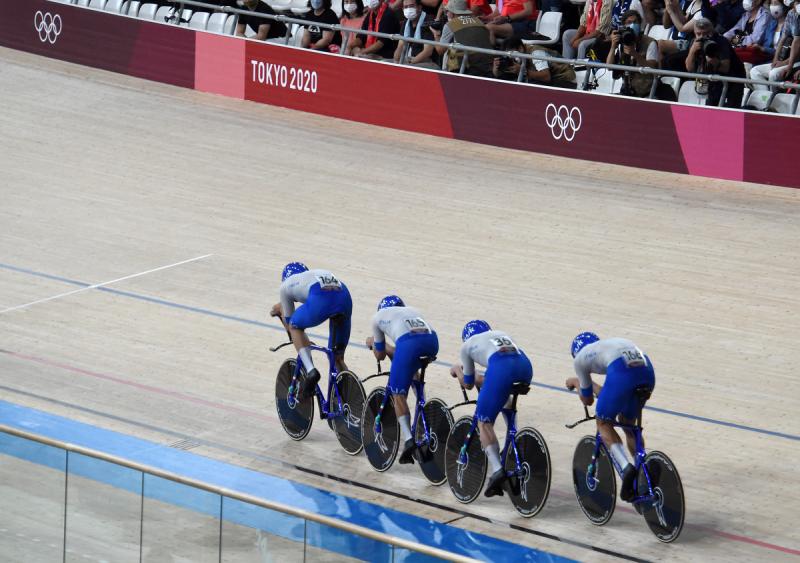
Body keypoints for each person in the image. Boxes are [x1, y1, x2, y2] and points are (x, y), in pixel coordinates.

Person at [565, 332, 655, 502]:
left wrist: (577, 382)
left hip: (621, 374)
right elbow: (609, 393)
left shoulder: (580, 360)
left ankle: (626, 468)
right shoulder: (607, 346)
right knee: (628, 425)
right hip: (647, 371)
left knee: (603, 423)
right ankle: (642, 472)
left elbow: (588, 400)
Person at [450, 320, 533, 497]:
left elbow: (469, 384)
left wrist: (458, 370)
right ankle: (513, 436)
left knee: (484, 422)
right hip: (525, 367)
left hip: (501, 369)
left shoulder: (467, 346)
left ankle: (497, 470)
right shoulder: (499, 334)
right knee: (504, 396)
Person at [365, 296, 439, 463]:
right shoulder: (412, 311)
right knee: (410, 363)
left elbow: (380, 355)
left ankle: (408, 440)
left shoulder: (378, 318)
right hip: (432, 342)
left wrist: (372, 343)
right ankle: (422, 401)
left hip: (408, 345)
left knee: (398, 394)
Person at [269, 263, 353, 398]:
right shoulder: (314, 274)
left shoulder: (285, 286)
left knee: (294, 326)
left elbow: (291, 324)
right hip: (345, 297)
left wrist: (280, 310)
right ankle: (349, 398)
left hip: (321, 299)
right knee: (336, 357)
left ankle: (311, 371)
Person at [686, 17, 747, 106]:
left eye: (706, 33)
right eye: (698, 34)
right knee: (711, 107)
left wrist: (714, 61)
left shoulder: (721, 42)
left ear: (712, 32)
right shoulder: (695, 43)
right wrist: (692, 52)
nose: (702, 37)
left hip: (734, 78)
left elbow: (725, 68)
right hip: (714, 79)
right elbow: (689, 68)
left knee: (731, 110)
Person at [606, 10, 660, 96]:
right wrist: (613, 46)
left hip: (646, 92)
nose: (633, 25)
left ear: (640, 24)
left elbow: (653, 67)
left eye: (635, 22)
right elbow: (608, 67)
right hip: (627, 90)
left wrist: (634, 54)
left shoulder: (650, 42)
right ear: (624, 26)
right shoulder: (621, 41)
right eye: (629, 22)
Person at [432, 0, 494, 75]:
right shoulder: (479, 21)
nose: (446, 14)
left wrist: (436, 35)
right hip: (486, 65)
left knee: (453, 53)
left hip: (466, 68)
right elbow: (491, 42)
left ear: (452, 13)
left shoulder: (450, 25)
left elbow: (440, 51)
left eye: (447, 11)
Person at [492, 37, 578, 87]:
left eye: (512, 54)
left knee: (528, 84)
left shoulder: (536, 53)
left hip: (564, 79)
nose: (511, 57)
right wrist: (496, 69)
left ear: (520, 48)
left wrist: (522, 71)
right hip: (550, 79)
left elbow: (546, 77)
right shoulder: (515, 58)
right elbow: (501, 76)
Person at [750, 0, 796, 85]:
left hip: (790, 59)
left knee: (773, 74)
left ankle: (773, 96)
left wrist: (785, 63)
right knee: (754, 71)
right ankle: (765, 97)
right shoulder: (772, 23)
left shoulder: (793, 19)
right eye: (771, 3)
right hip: (774, 58)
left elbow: (796, 48)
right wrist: (775, 59)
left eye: (776, 4)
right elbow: (781, 41)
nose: (773, 6)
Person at [394, 0, 438, 66]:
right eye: (406, 7)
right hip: (413, 59)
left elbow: (428, 52)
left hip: (429, 62)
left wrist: (410, 64)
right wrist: (396, 60)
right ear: (402, 9)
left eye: (411, 6)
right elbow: (400, 45)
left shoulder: (428, 21)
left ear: (419, 7)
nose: (408, 9)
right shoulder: (406, 22)